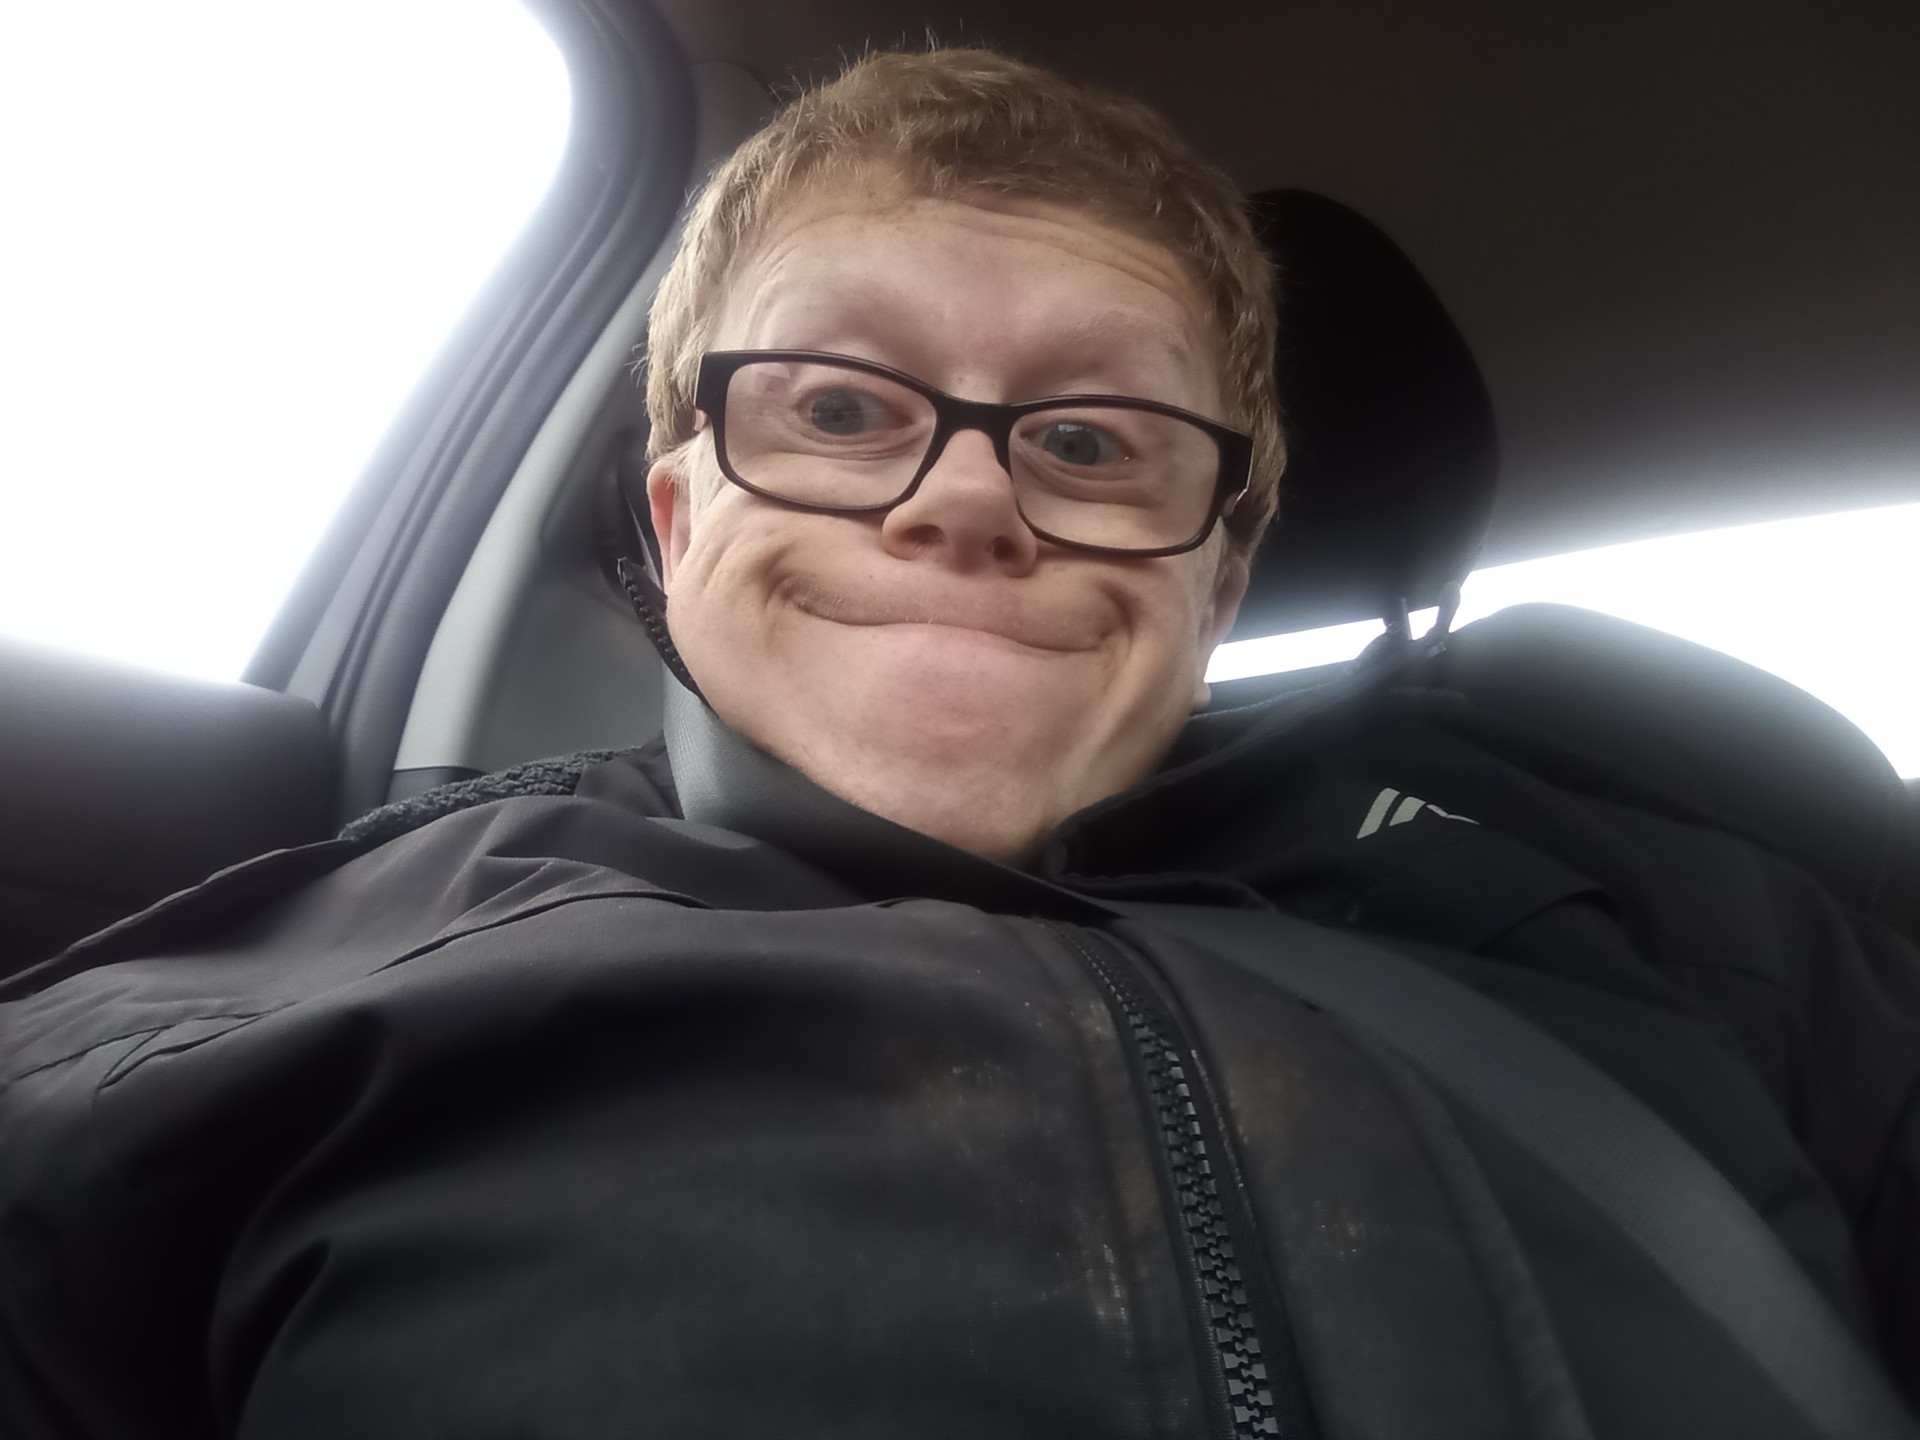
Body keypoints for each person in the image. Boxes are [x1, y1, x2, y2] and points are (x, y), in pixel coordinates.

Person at [1, 47, 1915, 1440]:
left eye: (1089, 441)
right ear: (679, 519)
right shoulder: (223, 1017)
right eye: (840, 409)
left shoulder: (1679, 900)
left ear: (1217, 578)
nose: (969, 498)